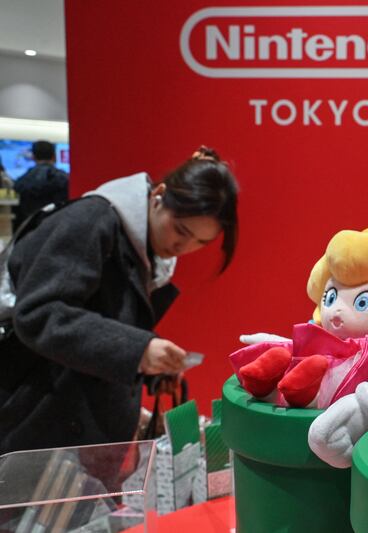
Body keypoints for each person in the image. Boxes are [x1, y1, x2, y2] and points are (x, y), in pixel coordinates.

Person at [0, 147, 238, 454]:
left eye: (201, 242)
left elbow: (100, 323)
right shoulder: (89, 221)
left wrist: (149, 364)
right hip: (37, 428)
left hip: (79, 434)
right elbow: (39, 313)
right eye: (180, 230)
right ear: (159, 195)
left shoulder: (144, 248)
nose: (184, 246)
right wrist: (138, 350)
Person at [12, 141, 69, 231]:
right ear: (54, 156)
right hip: (56, 228)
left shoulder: (22, 181)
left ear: (33, 157)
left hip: (29, 229)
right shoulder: (64, 178)